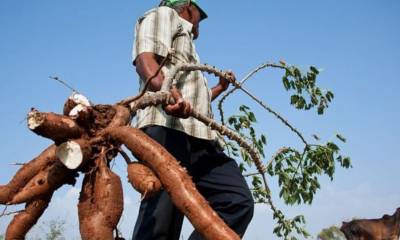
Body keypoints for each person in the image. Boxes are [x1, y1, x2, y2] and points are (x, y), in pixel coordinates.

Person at [131, 1, 254, 239]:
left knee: (237, 201)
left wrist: (219, 87)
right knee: (162, 217)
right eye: (200, 15)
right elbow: (145, 60)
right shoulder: (164, 14)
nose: (200, 24)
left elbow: (193, 101)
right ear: (188, 7)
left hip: (200, 137)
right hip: (167, 127)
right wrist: (168, 94)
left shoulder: (186, 44)